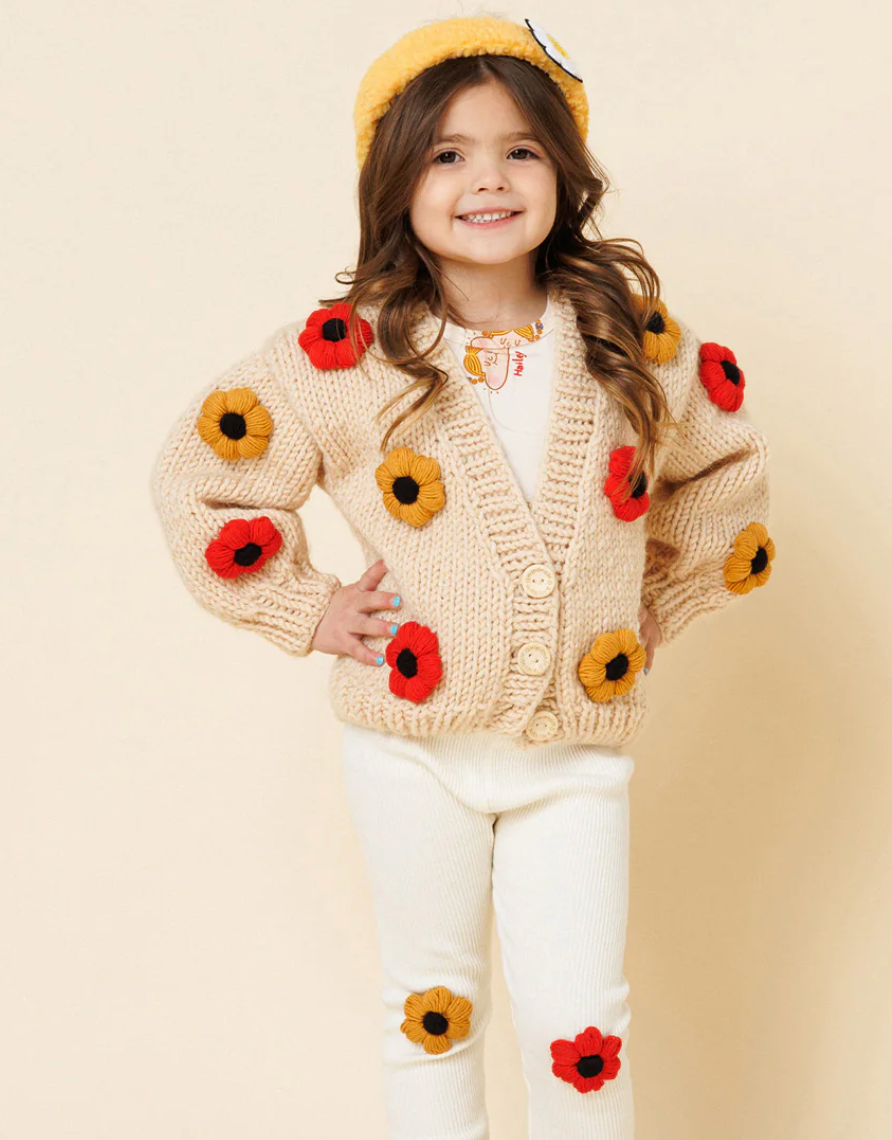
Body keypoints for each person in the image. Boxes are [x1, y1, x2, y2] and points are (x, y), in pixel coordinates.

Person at [150, 15, 776, 1139]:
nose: (486, 178)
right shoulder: (346, 353)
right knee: (431, 1010)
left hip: (575, 755)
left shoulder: (631, 340)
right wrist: (309, 606)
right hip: (408, 746)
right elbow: (204, 476)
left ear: (564, 174)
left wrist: (654, 605)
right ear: (396, 181)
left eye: (519, 150)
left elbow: (727, 479)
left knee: (582, 1024)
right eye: (448, 153)